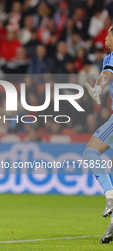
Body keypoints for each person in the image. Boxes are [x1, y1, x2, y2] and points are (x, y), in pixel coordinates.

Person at [85, 25, 113, 244]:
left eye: (109, 33)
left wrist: (98, 89)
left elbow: (107, 74)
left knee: (91, 152)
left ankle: (111, 196)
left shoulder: (111, 57)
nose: (105, 37)